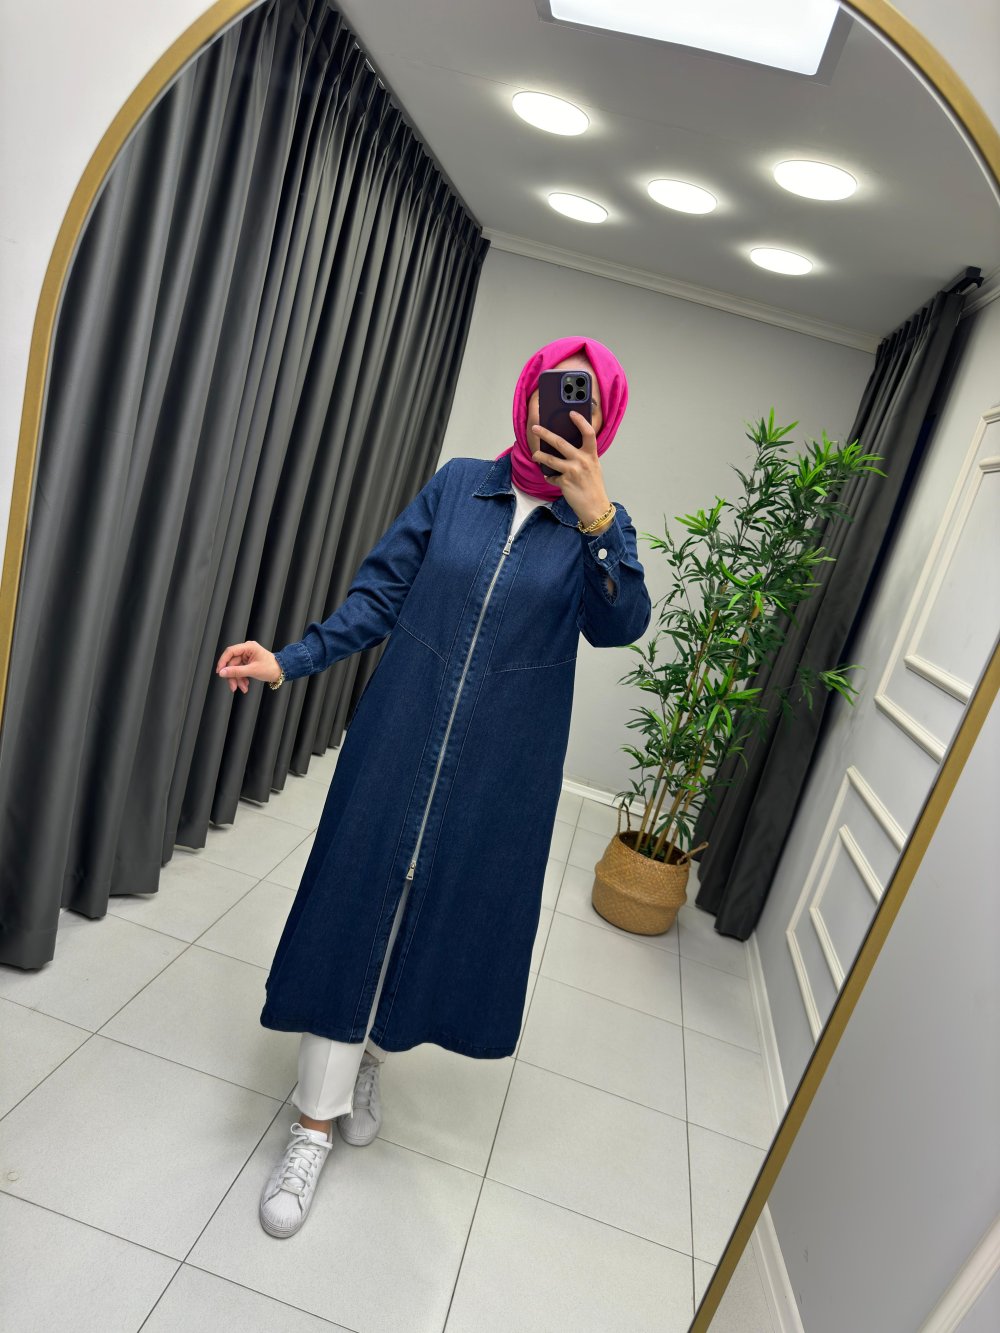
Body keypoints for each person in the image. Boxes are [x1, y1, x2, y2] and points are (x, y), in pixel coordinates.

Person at [216, 336, 652, 1238]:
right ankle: (312, 1123)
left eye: (580, 401)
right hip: (398, 737)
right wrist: (290, 659)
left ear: (601, 421)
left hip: (501, 769)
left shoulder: (601, 528)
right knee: (355, 903)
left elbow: (620, 628)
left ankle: (369, 1058)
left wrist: (599, 520)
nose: (558, 413)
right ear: (525, 397)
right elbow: (380, 595)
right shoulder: (458, 485)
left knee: (435, 915)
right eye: (548, 393)